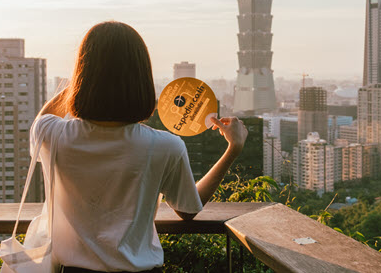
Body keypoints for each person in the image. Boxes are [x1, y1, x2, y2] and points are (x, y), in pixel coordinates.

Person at [29, 21, 247, 273]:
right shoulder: (164, 145)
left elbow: (41, 119)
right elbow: (189, 209)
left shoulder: (52, 134)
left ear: (82, 74)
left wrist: (84, 80)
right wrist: (233, 149)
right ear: (142, 76)